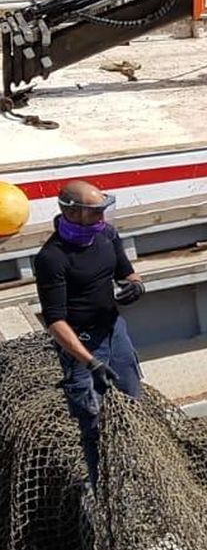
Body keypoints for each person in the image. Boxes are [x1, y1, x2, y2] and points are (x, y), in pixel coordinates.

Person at [34, 181, 146, 487]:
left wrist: (136, 285)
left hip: (114, 332)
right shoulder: (51, 258)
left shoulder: (107, 235)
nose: (102, 217)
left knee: (132, 404)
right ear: (74, 212)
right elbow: (55, 321)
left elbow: (126, 271)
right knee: (93, 422)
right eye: (95, 211)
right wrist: (89, 362)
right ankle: (104, 488)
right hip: (82, 345)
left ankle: (138, 477)